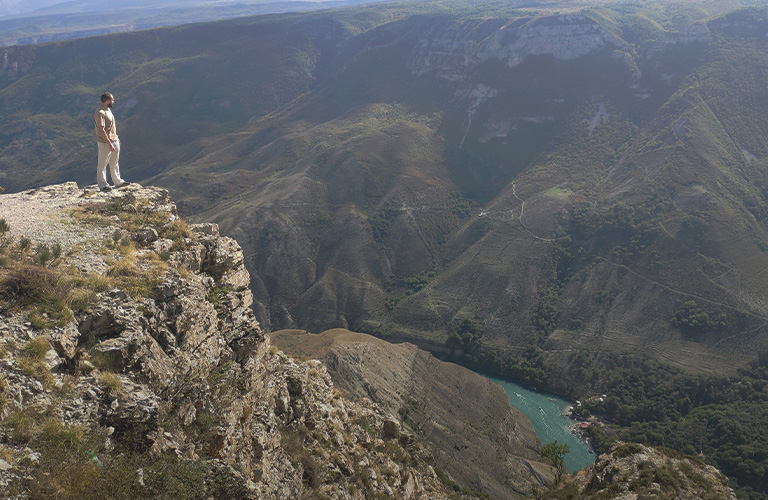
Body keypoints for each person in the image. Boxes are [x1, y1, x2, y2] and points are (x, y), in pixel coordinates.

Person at [94, 92, 130, 192]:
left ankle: (117, 181)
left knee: (114, 162)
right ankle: (103, 184)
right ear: (107, 101)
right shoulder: (100, 112)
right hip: (105, 142)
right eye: (112, 100)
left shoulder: (108, 110)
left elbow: (111, 127)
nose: (113, 102)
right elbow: (101, 130)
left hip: (114, 140)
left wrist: (116, 138)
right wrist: (109, 143)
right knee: (102, 164)